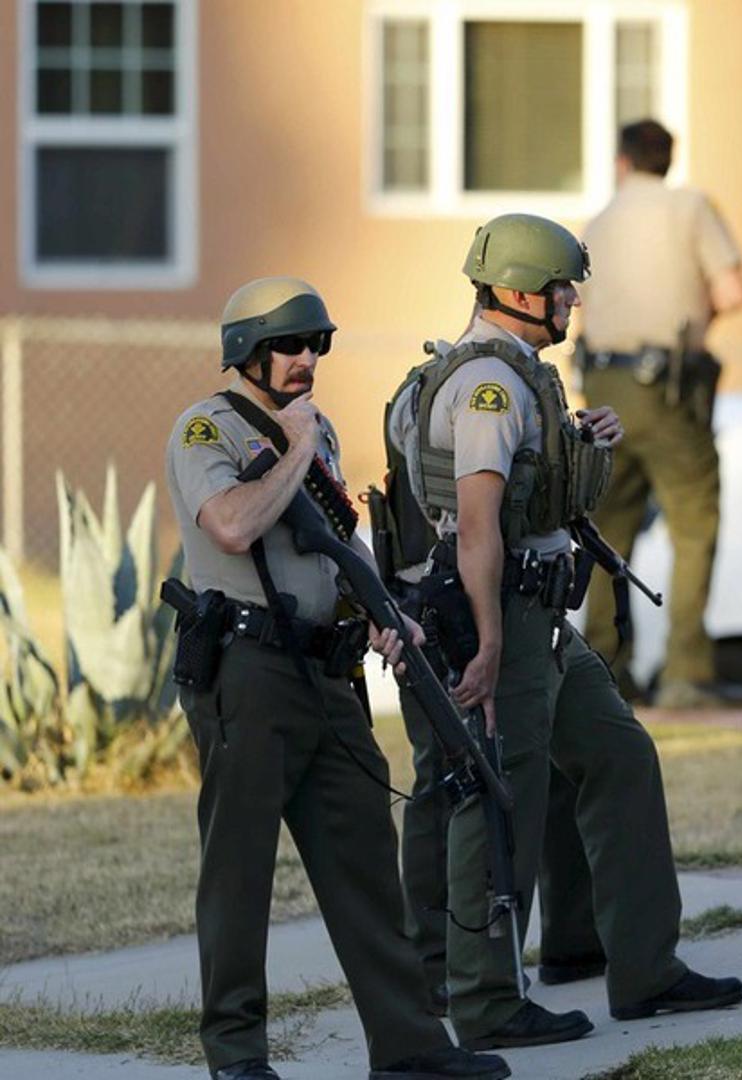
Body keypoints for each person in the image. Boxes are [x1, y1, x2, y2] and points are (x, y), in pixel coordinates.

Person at [384, 213, 742, 1051]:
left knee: (620, 755)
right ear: (517, 293)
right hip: (502, 614)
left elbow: (518, 495)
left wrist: (580, 445)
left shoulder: (509, 376)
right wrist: (488, 645)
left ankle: (645, 971)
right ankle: (484, 1002)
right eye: (560, 288)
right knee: (495, 799)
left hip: (540, 616)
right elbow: (477, 524)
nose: (572, 300)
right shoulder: (490, 386)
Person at [163, 277, 508, 1080]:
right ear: (248, 351)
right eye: (289, 345)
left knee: (366, 865)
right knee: (239, 872)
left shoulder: (316, 434)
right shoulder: (206, 428)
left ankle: (410, 1045)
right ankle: (237, 1055)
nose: (306, 360)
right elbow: (234, 523)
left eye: (316, 345)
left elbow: (332, 546)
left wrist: (384, 613)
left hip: (329, 671)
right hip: (248, 671)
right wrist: (293, 447)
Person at [576, 118, 742, 709]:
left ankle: (602, 670)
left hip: (602, 385)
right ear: (668, 160)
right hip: (669, 389)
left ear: (621, 162)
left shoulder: (597, 222)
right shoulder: (690, 207)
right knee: (693, 526)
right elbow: (732, 292)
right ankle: (686, 673)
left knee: (606, 531)